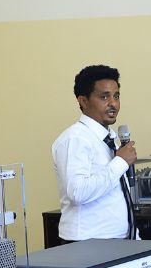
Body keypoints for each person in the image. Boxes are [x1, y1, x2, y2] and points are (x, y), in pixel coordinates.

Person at [52, 64, 139, 241]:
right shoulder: (75, 139)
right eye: (104, 97)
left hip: (118, 241)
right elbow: (77, 192)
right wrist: (120, 162)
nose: (113, 103)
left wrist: (134, 237)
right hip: (88, 244)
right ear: (83, 101)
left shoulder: (108, 138)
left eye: (116, 96)